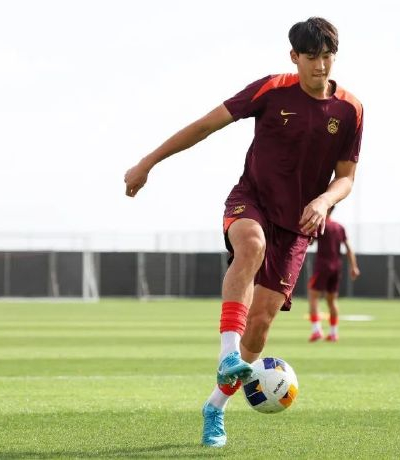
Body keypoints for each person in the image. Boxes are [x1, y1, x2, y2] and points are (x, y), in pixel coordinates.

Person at [124, 17, 363, 448]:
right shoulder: (271, 90)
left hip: (298, 226)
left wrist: (325, 200)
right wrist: (147, 163)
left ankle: (214, 407)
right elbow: (205, 125)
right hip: (251, 201)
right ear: (294, 57)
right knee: (250, 245)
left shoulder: (350, 110)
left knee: (262, 322)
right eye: (311, 57)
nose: (320, 65)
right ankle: (227, 355)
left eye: (328, 56)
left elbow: (346, 177)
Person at [307, 206, 360, 342]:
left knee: (313, 296)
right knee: (332, 300)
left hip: (322, 266)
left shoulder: (320, 225)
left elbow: (310, 242)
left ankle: (316, 330)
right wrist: (354, 266)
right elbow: (348, 248)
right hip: (336, 267)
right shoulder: (339, 227)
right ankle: (333, 333)